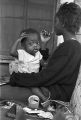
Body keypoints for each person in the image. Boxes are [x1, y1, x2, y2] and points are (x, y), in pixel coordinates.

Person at [0, 2, 81, 105]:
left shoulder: (68, 48)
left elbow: (44, 77)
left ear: (63, 23)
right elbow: (47, 66)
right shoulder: (72, 46)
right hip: (47, 89)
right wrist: (43, 44)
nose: (54, 25)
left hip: (49, 94)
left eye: (56, 21)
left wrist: (15, 78)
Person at [9, 28, 50, 102]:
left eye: (37, 43)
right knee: (33, 86)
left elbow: (43, 64)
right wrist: (18, 40)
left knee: (43, 85)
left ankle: (49, 96)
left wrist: (54, 61)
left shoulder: (38, 54)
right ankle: (44, 99)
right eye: (30, 44)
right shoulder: (22, 53)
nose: (35, 46)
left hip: (34, 77)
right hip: (22, 76)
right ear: (23, 45)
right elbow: (12, 53)